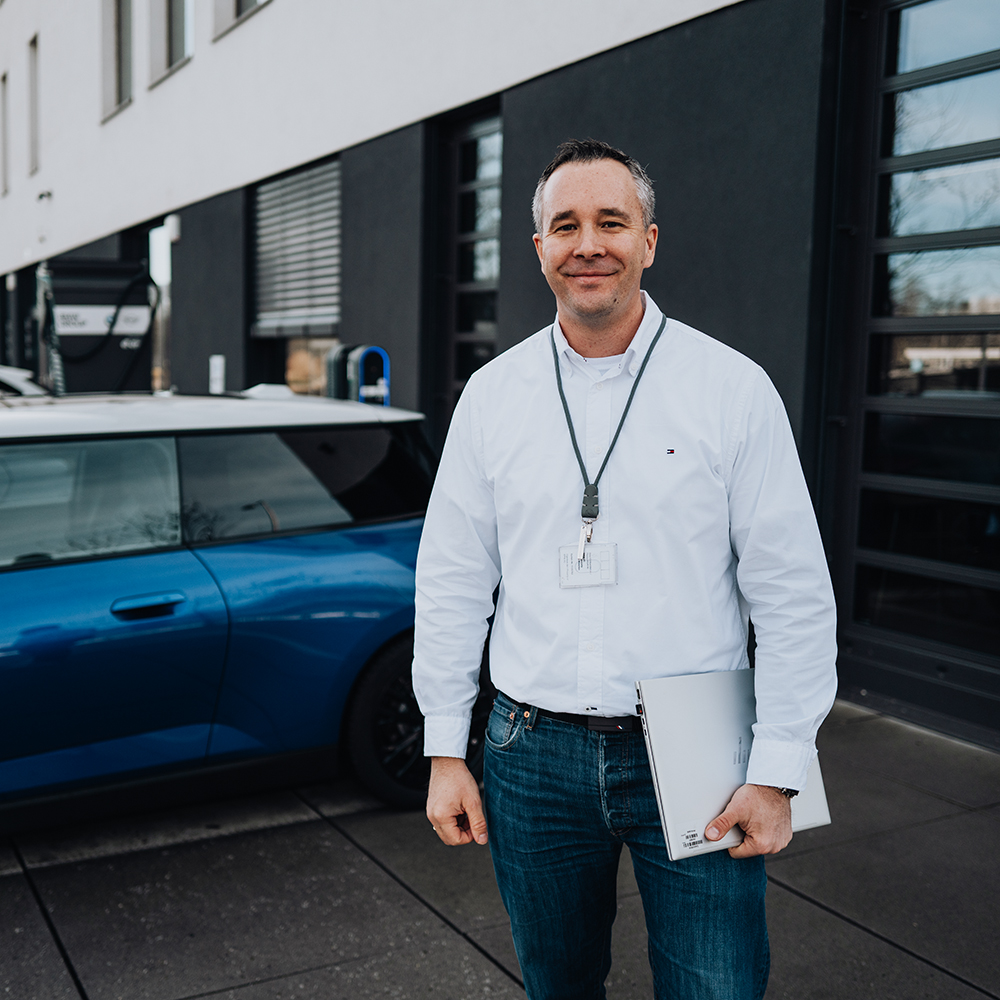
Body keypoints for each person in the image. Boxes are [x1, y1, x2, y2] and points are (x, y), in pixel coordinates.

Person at [412, 138, 837, 1000]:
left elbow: (792, 591)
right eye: (564, 225)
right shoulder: (493, 398)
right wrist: (444, 749)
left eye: (612, 221)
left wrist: (779, 765)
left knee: (715, 988)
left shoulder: (731, 388)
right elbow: (454, 580)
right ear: (539, 252)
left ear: (649, 240)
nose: (588, 243)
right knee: (557, 986)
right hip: (530, 754)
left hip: (700, 750)